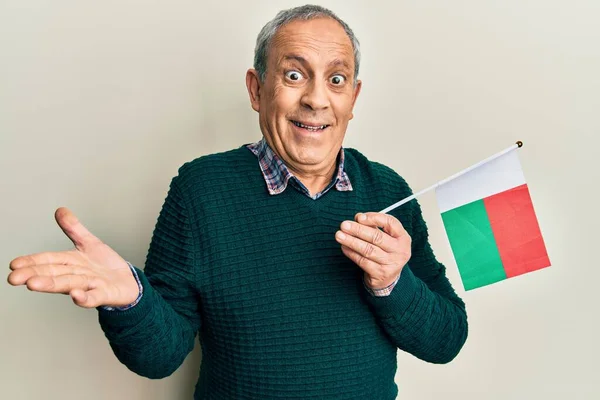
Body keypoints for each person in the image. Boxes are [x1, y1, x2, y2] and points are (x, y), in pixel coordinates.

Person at [7, 4, 468, 399]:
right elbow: (160, 357)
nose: (315, 99)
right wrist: (132, 300)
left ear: (353, 97)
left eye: (336, 79)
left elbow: (446, 340)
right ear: (256, 88)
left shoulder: (390, 193)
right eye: (293, 75)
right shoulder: (201, 189)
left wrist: (392, 283)